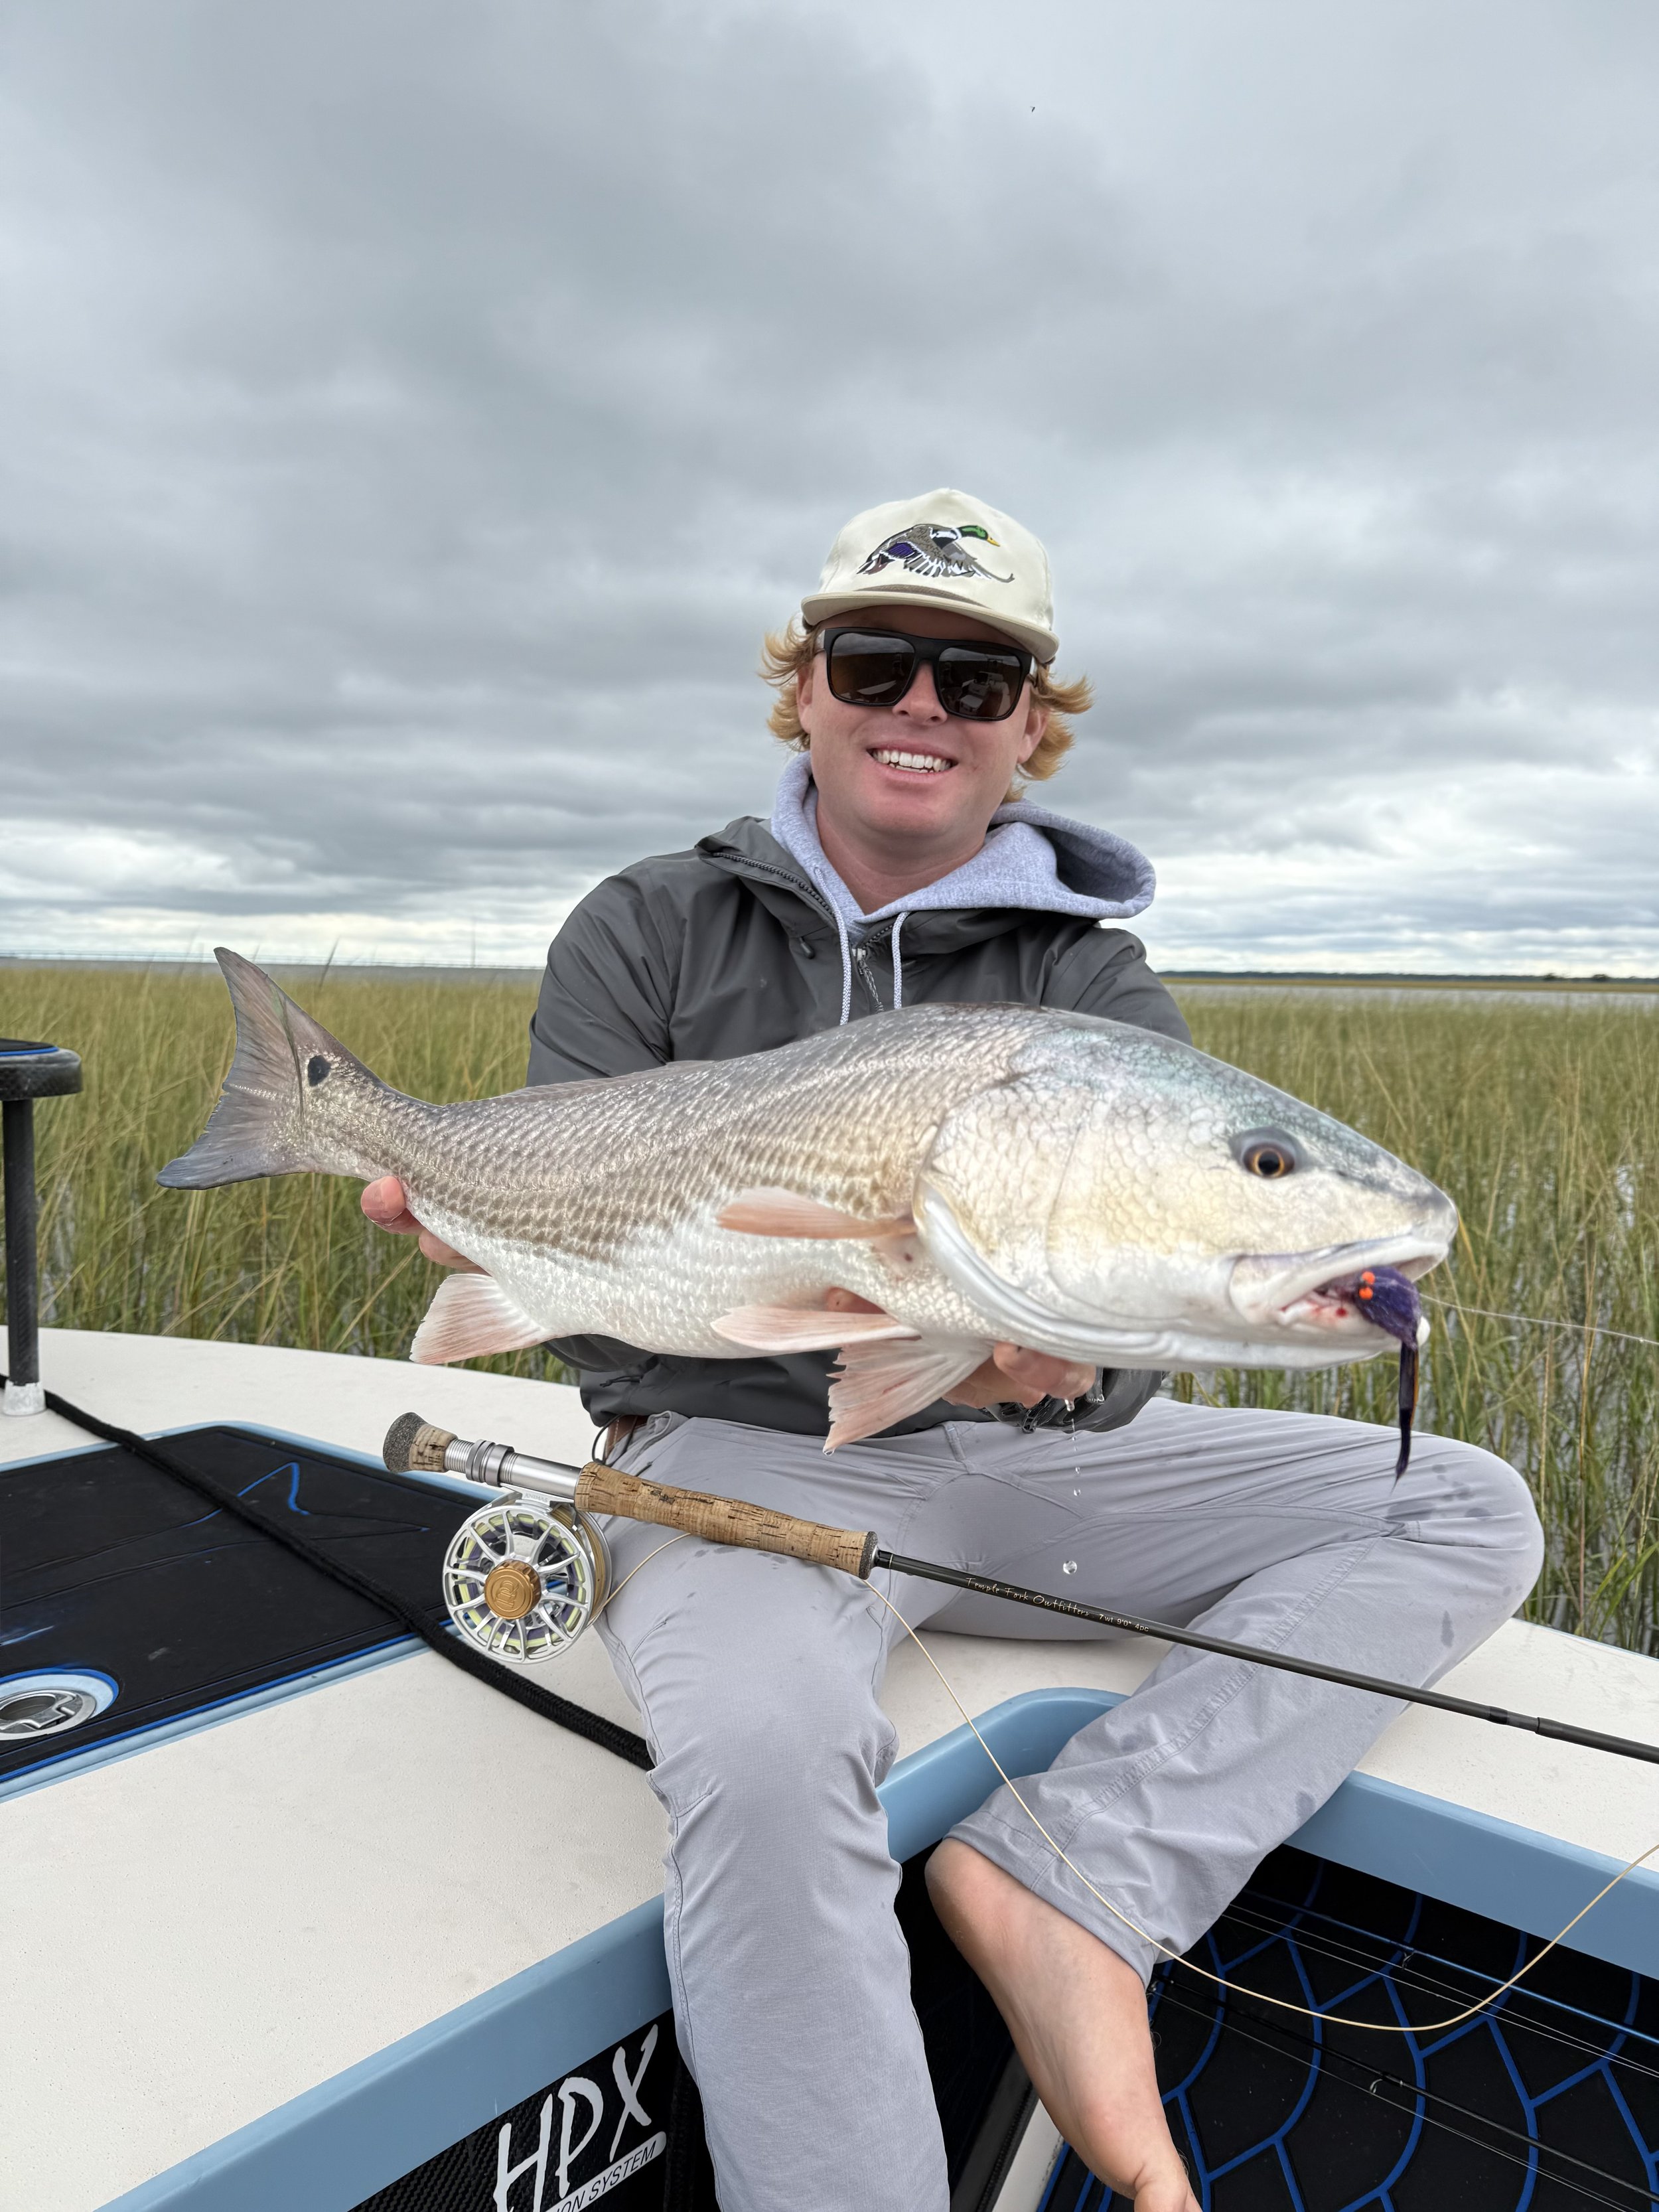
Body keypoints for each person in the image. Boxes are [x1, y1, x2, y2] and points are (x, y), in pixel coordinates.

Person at [364, 490, 1542, 2212]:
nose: (922, 702)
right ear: (810, 687)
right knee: (767, 1759)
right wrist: (475, 1224)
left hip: (1027, 1457)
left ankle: (1074, 1875)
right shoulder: (650, 926)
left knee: (1458, 1508)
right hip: (730, 1464)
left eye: (976, 680)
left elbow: (1132, 1297)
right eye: (877, 658)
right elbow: (579, 1234)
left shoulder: (1091, 982)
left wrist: (1051, 1363)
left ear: (1027, 729)